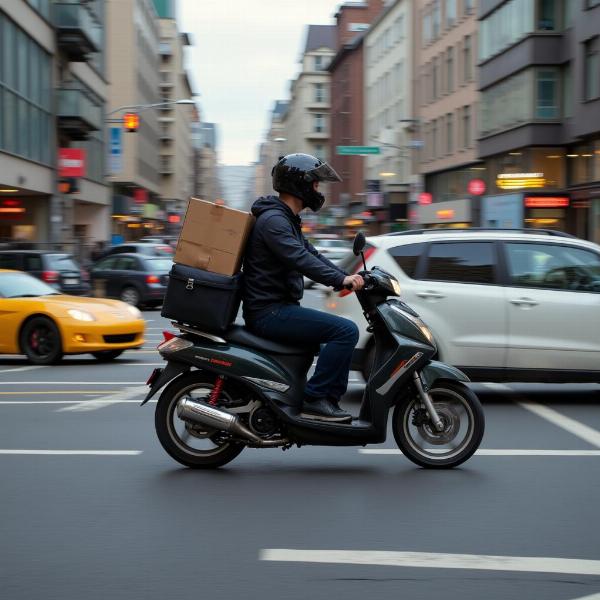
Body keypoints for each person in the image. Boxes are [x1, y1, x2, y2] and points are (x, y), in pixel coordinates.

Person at [242, 153, 364, 423]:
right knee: (345, 331)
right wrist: (340, 281)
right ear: (300, 183)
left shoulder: (286, 219)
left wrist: (348, 275)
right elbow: (300, 259)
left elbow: (312, 254)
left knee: (328, 337)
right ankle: (317, 400)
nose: (317, 190)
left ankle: (314, 398)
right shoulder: (274, 221)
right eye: (315, 184)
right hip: (269, 312)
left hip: (277, 307)